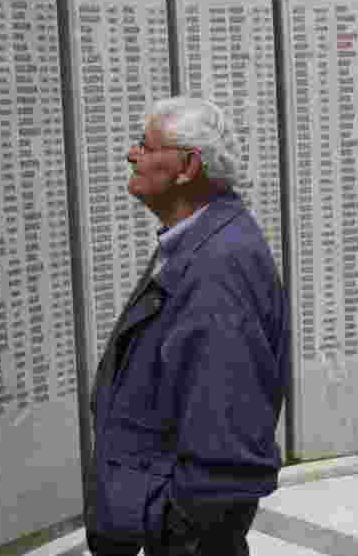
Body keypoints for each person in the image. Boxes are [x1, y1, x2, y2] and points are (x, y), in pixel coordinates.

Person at [83, 95, 289, 556]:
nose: (130, 154)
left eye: (145, 145)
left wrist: (177, 530)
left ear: (186, 167)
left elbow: (225, 438)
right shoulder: (195, 240)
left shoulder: (219, 268)